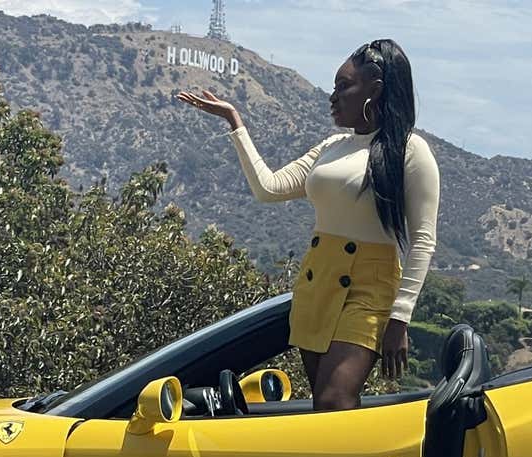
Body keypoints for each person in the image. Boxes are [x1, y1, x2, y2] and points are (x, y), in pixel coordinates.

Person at [176, 39, 440, 411]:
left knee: (336, 399)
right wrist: (234, 121)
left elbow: (423, 241)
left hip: (369, 288)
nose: (333, 97)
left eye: (344, 86)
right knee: (323, 406)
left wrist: (400, 317)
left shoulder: (411, 152)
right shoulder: (332, 146)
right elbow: (269, 188)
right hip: (317, 280)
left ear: (375, 90)